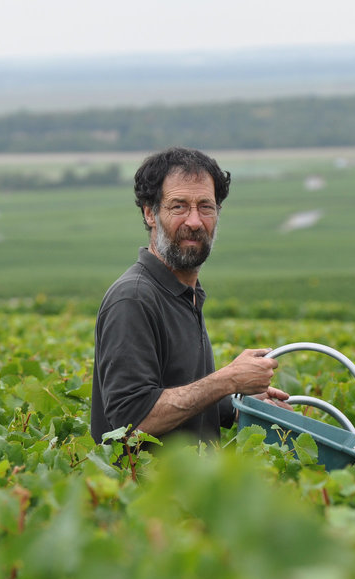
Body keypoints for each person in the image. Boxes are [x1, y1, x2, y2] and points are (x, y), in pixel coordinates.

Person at [90, 146, 290, 446]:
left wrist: (236, 403)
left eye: (205, 207)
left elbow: (180, 397)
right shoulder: (133, 299)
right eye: (179, 206)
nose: (195, 222)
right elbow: (130, 422)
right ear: (150, 213)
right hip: (145, 491)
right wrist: (227, 380)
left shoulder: (186, 293)